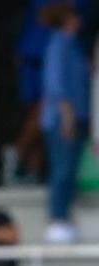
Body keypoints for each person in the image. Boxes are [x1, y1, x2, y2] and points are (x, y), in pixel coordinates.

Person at [39, 3, 91, 241]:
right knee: (62, 170)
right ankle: (56, 218)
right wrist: (67, 118)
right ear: (66, 19)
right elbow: (57, 84)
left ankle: (64, 217)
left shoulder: (74, 45)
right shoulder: (58, 44)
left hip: (77, 116)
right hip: (62, 118)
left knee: (69, 171)